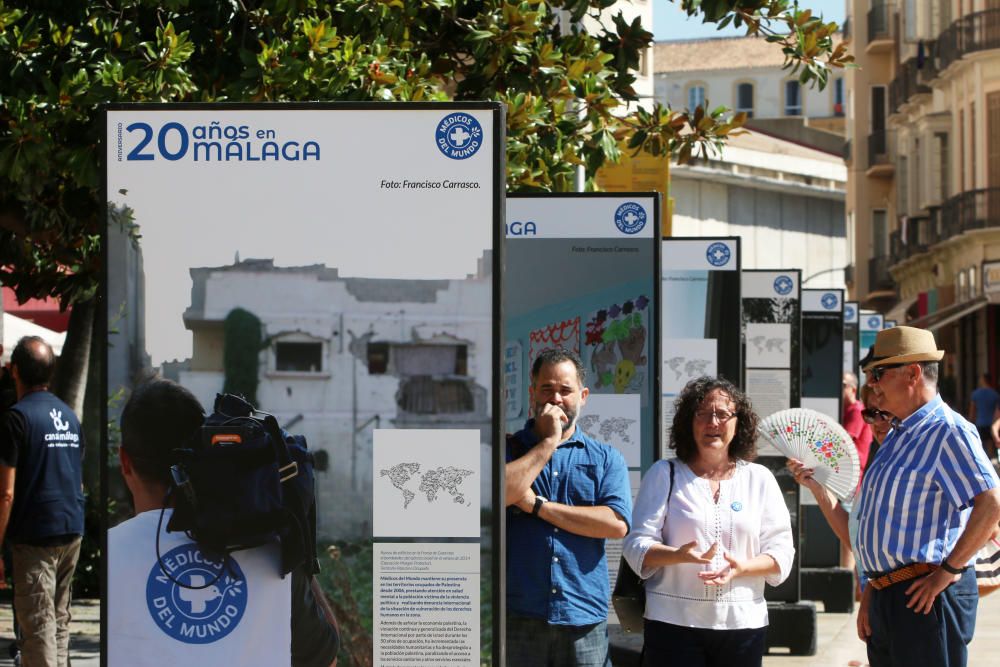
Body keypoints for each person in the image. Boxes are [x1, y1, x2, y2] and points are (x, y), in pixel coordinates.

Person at [109, 378, 339, 667]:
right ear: (203, 451)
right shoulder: (269, 552)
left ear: (125, 461)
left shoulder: (110, 553)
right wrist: (295, 538)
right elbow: (324, 659)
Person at [622, 377, 793, 667]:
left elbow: (782, 553)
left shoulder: (759, 478)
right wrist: (676, 555)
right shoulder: (665, 474)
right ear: (689, 422)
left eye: (722, 414)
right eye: (702, 413)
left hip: (743, 625)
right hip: (673, 624)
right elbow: (636, 543)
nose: (712, 422)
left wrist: (743, 567)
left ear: (739, 423)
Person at [855, 326, 1000, 667]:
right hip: (892, 594)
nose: (873, 384)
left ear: (913, 373)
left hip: (926, 593)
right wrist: (873, 590)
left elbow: (991, 502)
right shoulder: (900, 431)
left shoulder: (947, 430)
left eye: (879, 373)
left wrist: (947, 571)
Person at [505, 348, 632, 667]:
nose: (556, 398)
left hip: (582, 619)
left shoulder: (605, 458)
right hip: (519, 616)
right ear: (532, 392)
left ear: (583, 395)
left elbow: (615, 523)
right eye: (546, 388)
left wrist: (536, 505)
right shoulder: (507, 450)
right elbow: (499, 494)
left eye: (565, 390)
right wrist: (548, 442)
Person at [0, 336, 85, 667]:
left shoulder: (15, 419)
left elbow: (5, 493)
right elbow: (75, 478)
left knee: (37, 627)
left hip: (35, 537)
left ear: (15, 370)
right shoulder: (70, 417)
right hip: (71, 530)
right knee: (59, 621)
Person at [841, 372, 873, 478]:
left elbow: (842, 441)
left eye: (843, 385)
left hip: (850, 473)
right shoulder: (844, 410)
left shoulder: (857, 410)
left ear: (853, 390)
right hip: (844, 469)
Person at [969, 373, 1000, 463]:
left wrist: (970, 423)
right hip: (991, 424)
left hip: (979, 423)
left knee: (979, 448)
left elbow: (972, 412)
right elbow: (997, 412)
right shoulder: (995, 395)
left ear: (983, 380)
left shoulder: (975, 394)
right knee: (990, 449)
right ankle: (989, 463)